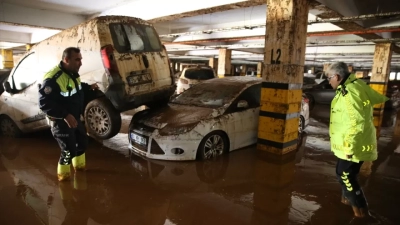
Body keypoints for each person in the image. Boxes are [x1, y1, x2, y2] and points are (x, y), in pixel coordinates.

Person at [326, 62, 389, 219]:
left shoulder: (350, 93)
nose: (328, 81)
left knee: (345, 175)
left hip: (352, 145)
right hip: (354, 143)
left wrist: (348, 148)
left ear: (337, 77)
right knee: (348, 175)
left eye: (329, 78)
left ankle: (362, 213)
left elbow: (355, 124)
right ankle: (347, 201)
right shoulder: (350, 87)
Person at [38, 47, 98, 181]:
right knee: (68, 151)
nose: (80, 63)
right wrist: (65, 115)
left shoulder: (72, 73)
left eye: (80, 59)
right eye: (77, 60)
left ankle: (80, 169)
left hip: (74, 117)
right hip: (61, 121)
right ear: (66, 60)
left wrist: (88, 88)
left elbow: (75, 87)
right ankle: (64, 179)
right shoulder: (53, 79)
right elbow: (44, 103)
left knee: (82, 143)